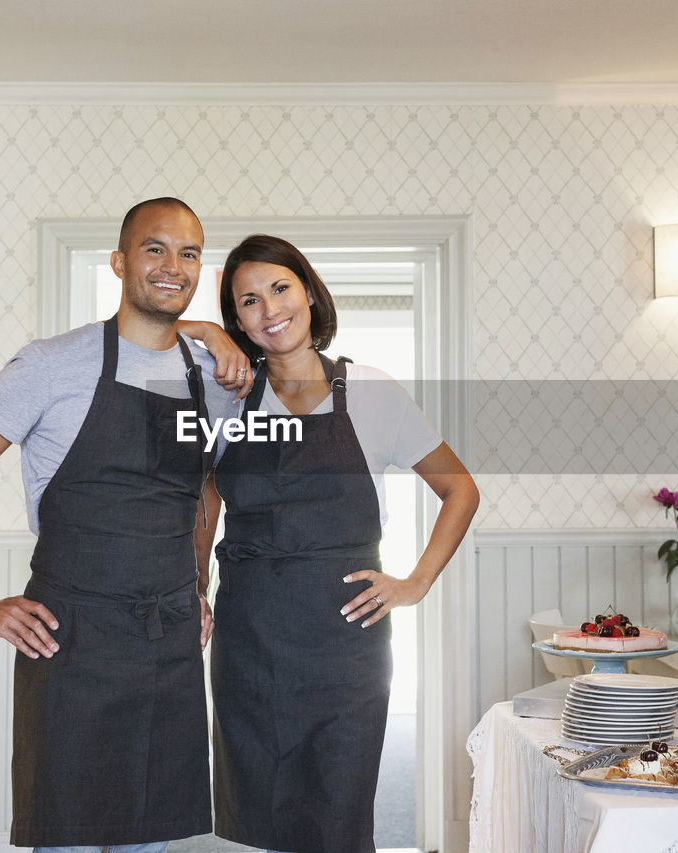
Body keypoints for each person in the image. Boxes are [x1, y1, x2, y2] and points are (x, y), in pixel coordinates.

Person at [0, 197, 251, 852]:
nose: (172, 265)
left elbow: (204, 484)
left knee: (147, 843)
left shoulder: (212, 379)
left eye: (189, 253)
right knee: (66, 837)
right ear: (120, 262)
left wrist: (198, 583)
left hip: (167, 642)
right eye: (155, 248)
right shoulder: (51, 365)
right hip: (72, 643)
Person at [203, 234, 480, 853]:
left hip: (345, 641)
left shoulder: (373, 392)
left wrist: (413, 584)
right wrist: (197, 588)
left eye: (280, 288)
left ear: (308, 292)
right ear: (236, 320)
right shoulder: (224, 396)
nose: (270, 309)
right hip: (250, 634)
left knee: (337, 816)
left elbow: (461, 490)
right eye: (248, 301)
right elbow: (207, 500)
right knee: (266, 816)